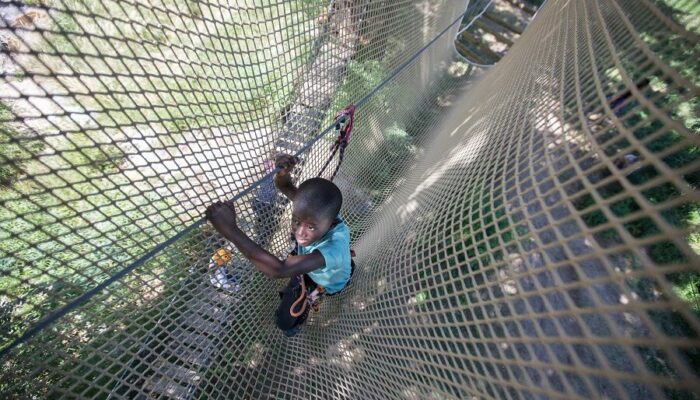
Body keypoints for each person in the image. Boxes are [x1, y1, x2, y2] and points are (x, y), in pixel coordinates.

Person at [206, 154, 352, 337]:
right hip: (313, 264)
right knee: (300, 260)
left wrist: (230, 230)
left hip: (326, 281)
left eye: (311, 227)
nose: (299, 232)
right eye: (296, 220)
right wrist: (283, 174)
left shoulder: (333, 248)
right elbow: (285, 187)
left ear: (331, 224)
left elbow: (278, 270)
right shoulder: (316, 212)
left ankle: (304, 311)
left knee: (285, 323)